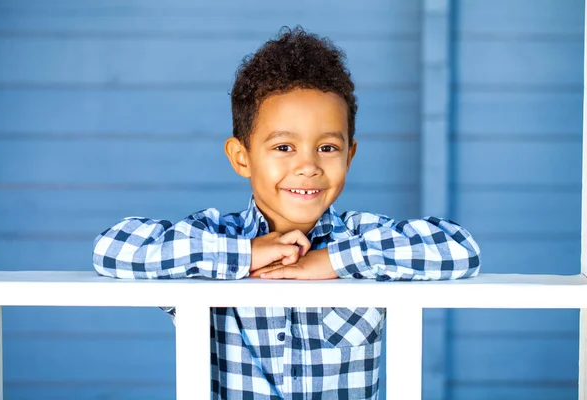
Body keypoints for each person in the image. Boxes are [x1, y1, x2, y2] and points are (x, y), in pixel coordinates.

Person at [92, 26, 481, 399]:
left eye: (327, 148)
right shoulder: (214, 239)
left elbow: (460, 248)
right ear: (241, 157)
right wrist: (246, 255)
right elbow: (112, 248)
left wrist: (332, 261)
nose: (308, 166)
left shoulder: (363, 238)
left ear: (350, 154)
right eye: (283, 148)